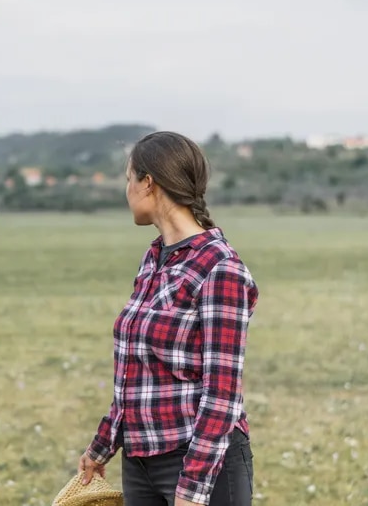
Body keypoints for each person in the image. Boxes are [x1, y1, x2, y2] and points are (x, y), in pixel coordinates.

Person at [78, 131, 259, 506]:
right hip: (140, 460)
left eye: (129, 180)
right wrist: (103, 445)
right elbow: (135, 373)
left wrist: (193, 488)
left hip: (199, 463)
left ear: (148, 183)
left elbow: (222, 393)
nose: (126, 190)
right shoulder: (154, 258)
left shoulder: (220, 268)